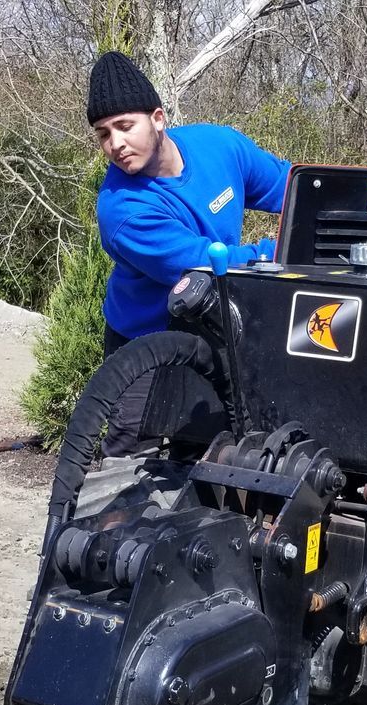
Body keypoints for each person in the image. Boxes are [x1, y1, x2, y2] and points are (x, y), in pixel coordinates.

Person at [86, 50, 291, 455]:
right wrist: (284, 249)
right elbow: (214, 265)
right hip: (146, 343)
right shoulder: (123, 211)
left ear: (158, 118)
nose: (116, 144)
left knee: (214, 450)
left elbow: (291, 186)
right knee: (127, 470)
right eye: (104, 134)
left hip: (216, 330)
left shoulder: (219, 146)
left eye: (125, 126)